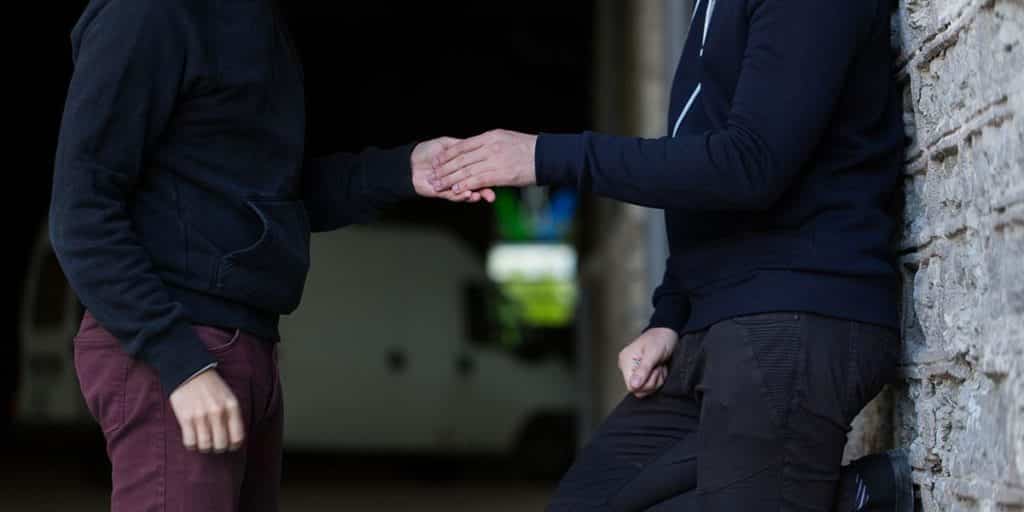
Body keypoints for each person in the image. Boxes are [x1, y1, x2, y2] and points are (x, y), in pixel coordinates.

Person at [430, 0, 913, 510]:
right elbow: (703, 174)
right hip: (711, 322)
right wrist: (671, 311)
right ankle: (844, 498)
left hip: (793, 312)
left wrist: (542, 156)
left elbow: (748, 165)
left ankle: (852, 498)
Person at [49, 1, 493, 510]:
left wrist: (407, 170)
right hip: (176, 342)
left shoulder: (260, 20)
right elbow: (80, 213)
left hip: (245, 345)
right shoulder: (150, 13)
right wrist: (179, 362)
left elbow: (269, 197)